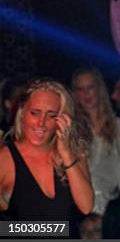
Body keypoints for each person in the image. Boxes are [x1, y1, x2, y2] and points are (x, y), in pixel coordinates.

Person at [0, 78, 93, 236]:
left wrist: (66, 153)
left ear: (62, 119)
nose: (41, 123)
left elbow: (86, 206)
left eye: (51, 116)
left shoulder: (73, 154)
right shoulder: (6, 158)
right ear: (22, 113)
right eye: (35, 113)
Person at [72, 67, 120, 215]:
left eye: (90, 87)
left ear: (99, 89)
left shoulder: (117, 125)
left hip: (110, 205)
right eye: (80, 89)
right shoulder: (73, 128)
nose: (86, 94)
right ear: (75, 94)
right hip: (80, 205)